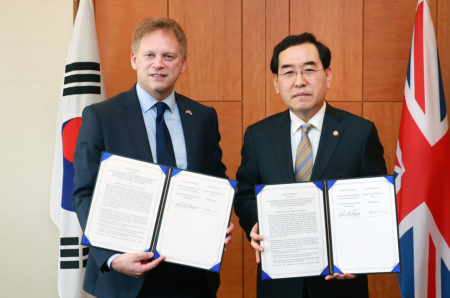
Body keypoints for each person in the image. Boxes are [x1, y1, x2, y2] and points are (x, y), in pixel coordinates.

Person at [72, 17, 233, 298]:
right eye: (150, 55)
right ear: (135, 60)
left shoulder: (203, 118)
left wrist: (218, 222)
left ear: (182, 64)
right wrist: (111, 257)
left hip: (191, 277)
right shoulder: (101, 117)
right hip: (124, 279)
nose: (158, 64)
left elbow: (216, 182)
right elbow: (84, 193)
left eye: (168, 56)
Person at [234, 32, 387, 298]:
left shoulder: (360, 133)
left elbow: (376, 204)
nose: (300, 81)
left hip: (339, 284)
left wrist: (359, 258)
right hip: (279, 283)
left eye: (309, 70)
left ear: (327, 75)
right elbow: (245, 194)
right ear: (276, 82)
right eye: (289, 72)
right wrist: (255, 224)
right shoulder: (258, 136)